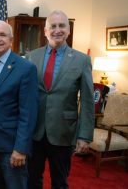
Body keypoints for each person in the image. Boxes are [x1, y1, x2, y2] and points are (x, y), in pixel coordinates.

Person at [26, 10, 94, 189]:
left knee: (60, 182)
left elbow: (87, 101)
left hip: (64, 132)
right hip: (34, 131)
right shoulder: (32, 57)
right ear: (45, 31)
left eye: (62, 25)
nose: (57, 30)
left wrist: (84, 135)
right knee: (32, 179)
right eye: (53, 26)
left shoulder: (82, 60)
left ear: (68, 30)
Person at [0, 20, 38, 189]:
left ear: (11, 39)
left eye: (2, 35)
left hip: (11, 148)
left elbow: (28, 113)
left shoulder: (25, 68)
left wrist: (21, 149)